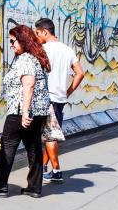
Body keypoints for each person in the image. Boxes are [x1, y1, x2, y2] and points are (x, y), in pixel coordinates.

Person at [0, 25, 51, 198]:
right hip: (38, 112)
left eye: (13, 41)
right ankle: (34, 187)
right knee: (33, 146)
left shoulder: (26, 59)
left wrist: (25, 112)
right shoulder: (36, 57)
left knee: (8, 145)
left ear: (23, 40)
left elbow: (28, 85)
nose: (11, 44)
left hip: (21, 111)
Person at [33, 18, 83, 184]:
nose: (37, 36)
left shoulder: (42, 49)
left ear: (45, 32)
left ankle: (56, 170)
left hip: (46, 98)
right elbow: (80, 73)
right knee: (50, 134)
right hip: (60, 98)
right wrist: (68, 92)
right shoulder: (68, 50)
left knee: (49, 136)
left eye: (38, 33)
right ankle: (44, 168)